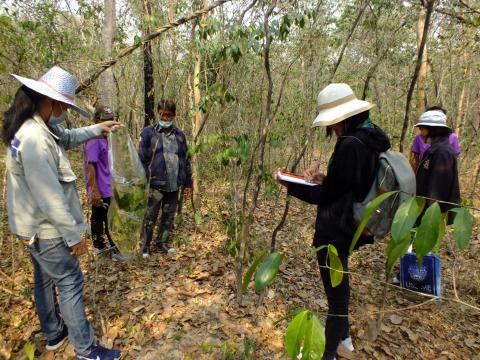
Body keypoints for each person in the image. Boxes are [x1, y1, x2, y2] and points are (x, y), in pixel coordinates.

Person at [4, 66, 122, 360]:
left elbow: (67, 137)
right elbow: (49, 196)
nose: (65, 112)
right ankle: (86, 349)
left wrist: (99, 128)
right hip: (47, 229)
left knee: (45, 279)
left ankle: (55, 333)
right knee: (70, 282)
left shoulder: (38, 127)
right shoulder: (34, 139)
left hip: (33, 227)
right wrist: (73, 236)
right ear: (52, 102)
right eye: (65, 106)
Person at [275, 83, 391, 360]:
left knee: (337, 295)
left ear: (341, 117)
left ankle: (328, 353)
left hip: (335, 230)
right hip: (351, 224)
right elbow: (350, 185)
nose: (332, 128)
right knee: (339, 286)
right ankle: (345, 341)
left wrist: (289, 184)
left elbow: (326, 197)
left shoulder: (350, 144)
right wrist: (323, 179)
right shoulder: (369, 138)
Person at [138, 100, 192, 258]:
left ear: (174, 116)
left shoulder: (180, 135)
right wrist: (143, 182)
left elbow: (185, 159)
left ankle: (162, 243)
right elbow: (141, 159)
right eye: (162, 114)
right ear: (157, 113)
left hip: (174, 184)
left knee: (168, 215)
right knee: (150, 215)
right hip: (155, 184)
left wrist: (188, 183)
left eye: (168, 115)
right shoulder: (148, 133)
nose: (165, 118)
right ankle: (145, 246)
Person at [83, 105, 122, 260]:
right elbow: (90, 165)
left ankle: (114, 248)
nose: (111, 123)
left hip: (109, 187)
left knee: (110, 218)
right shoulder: (94, 139)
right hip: (100, 189)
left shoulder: (106, 138)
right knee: (100, 218)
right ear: (97, 121)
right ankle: (100, 247)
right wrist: (94, 191)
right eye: (107, 121)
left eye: (112, 120)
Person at [415, 109, 460, 220]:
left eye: (422, 128)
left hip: (430, 214)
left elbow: (438, 190)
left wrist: (429, 216)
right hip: (424, 208)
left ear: (433, 129)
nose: (420, 132)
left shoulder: (442, 152)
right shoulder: (435, 149)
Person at [409, 106, 460, 172]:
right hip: (424, 172)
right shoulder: (419, 137)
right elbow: (415, 158)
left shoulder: (452, 138)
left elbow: (454, 159)